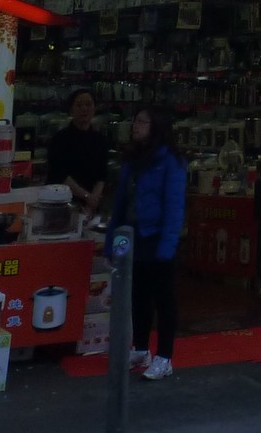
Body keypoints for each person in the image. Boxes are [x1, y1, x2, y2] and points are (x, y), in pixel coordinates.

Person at [105, 108, 186, 381]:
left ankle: (165, 356)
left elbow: (174, 207)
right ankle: (140, 349)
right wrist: (112, 243)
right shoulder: (132, 160)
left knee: (163, 298)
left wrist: (167, 248)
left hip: (157, 238)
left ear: (156, 127)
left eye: (142, 122)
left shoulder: (170, 161)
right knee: (138, 296)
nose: (135, 126)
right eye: (135, 121)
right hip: (133, 236)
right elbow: (120, 205)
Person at [46, 90, 110, 213]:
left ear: (94, 108)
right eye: (79, 105)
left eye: (88, 104)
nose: (84, 109)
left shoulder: (100, 140)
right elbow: (60, 174)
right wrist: (87, 196)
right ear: (71, 110)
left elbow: (102, 175)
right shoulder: (60, 139)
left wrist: (93, 200)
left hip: (91, 206)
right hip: (63, 204)